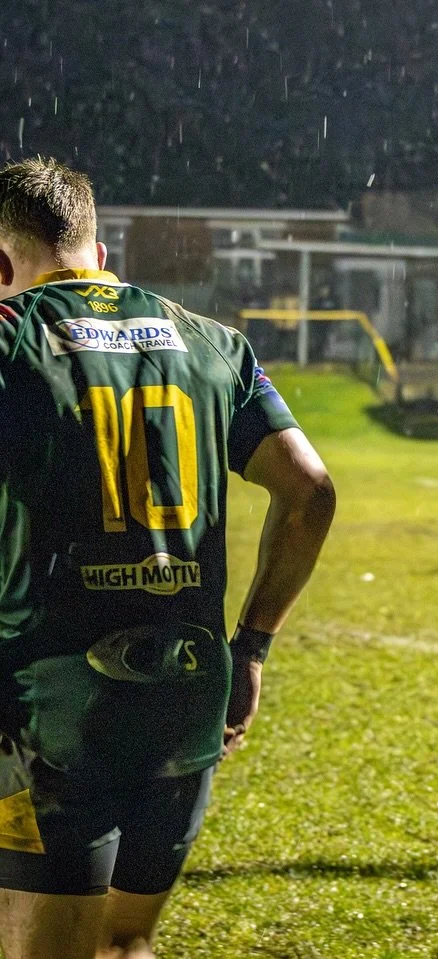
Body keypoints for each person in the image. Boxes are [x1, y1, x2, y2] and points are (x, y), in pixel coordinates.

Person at [0, 157, 335, 959]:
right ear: (99, 254)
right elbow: (311, 492)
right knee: (125, 941)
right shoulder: (213, 341)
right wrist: (252, 647)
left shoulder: (11, 338)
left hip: (50, 703)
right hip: (186, 692)